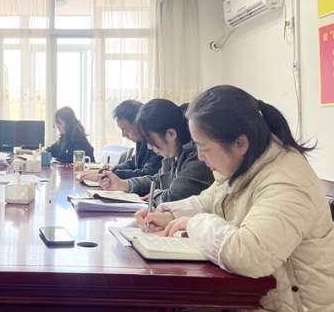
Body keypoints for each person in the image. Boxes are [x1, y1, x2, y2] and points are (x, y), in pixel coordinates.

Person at [135, 85, 334, 311]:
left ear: (240, 143)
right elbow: (208, 201)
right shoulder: (244, 164)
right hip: (250, 298)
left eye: (204, 148)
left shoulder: (288, 181)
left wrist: (193, 223)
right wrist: (169, 215)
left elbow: (248, 255)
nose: (199, 156)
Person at [99, 99, 214, 205]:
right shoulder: (171, 153)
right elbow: (158, 180)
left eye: (150, 140)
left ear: (170, 134)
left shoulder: (197, 156)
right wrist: (125, 184)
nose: (149, 147)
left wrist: (156, 195)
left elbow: (174, 197)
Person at [79, 99, 162, 182]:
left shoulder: (158, 144)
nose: (123, 135)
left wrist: (108, 174)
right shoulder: (141, 140)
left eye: (126, 130)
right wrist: (114, 169)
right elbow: (134, 162)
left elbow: (146, 174)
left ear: (139, 123)